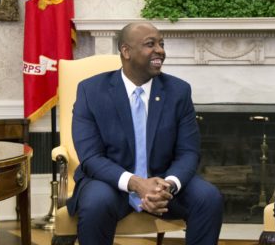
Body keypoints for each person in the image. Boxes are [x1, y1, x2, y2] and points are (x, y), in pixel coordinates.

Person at [69, 22, 223, 244]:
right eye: (150, 44)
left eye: (161, 44)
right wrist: (136, 184)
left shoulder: (178, 91)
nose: (160, 50)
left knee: (208, 198)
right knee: (96, 202)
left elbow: (188, 152)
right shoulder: (91, 90)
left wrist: (166, 185)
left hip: (163, 181)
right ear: (126, 51)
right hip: (112, 183)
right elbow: (91, 157)